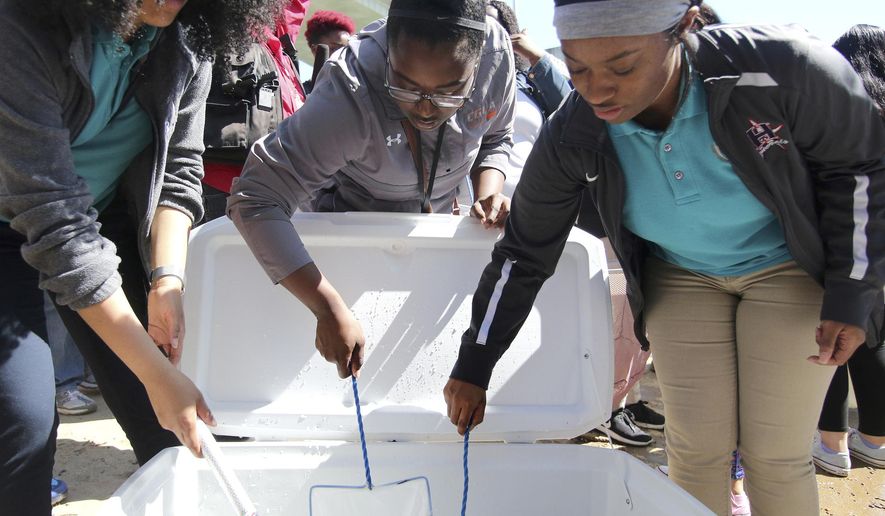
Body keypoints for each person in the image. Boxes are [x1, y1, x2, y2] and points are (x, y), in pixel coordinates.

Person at [443, 1, 885, 515]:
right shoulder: (573, 130)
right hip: (681, 275)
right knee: (694, 453)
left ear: (685, 26)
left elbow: (861, 171)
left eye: (623, 66)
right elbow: (524, 251)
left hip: (789, 267)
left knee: (775, 457)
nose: (597, 90)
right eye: (578, 67)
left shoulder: (784, 70)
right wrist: (475, 361)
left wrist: (854, 291)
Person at [0, 1, 285, 514]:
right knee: (21, 421)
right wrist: (156, 373)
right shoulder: (18, 26)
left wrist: (165, 280)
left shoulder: (186, 34)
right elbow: (54, 221)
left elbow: (180, 167)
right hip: (21, 217)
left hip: (104, 214)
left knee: (174, 427)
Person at [228, 0, 515, 380]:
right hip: (344, 258)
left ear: (477, 68)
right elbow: (255, 197)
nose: (426, 110)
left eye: (449, 93)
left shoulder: (496, 57)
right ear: (389, 57)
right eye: (406, 88)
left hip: (434, 247)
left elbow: (496, 137)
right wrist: (326, 307)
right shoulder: (349, 91)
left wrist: (487, 190)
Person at [812, 23, 885, 477]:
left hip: (835, 242)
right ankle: (876, 442)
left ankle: (832, 446)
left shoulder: (836, 112)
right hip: (880, 248)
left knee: (829, 339)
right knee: (874, 337)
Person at [201, 1, 310, 222]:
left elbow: (291, 11)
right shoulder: (206, 24)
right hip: (214, 188)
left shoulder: (276, 42)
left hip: (272, 194)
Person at [484, 0, 571, 197]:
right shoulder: (455, 86)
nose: (489, 37)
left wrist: (537, 57)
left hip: (534, 207)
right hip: (474, 213)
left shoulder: (530, 84)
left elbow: (571, 112)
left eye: (496, 29)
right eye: (482, 28)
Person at [302, 10, 356, 94]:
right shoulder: (298, 95)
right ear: (315, 50)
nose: (343, 56)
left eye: (347, 50)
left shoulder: (356, 95)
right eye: (334, 49)